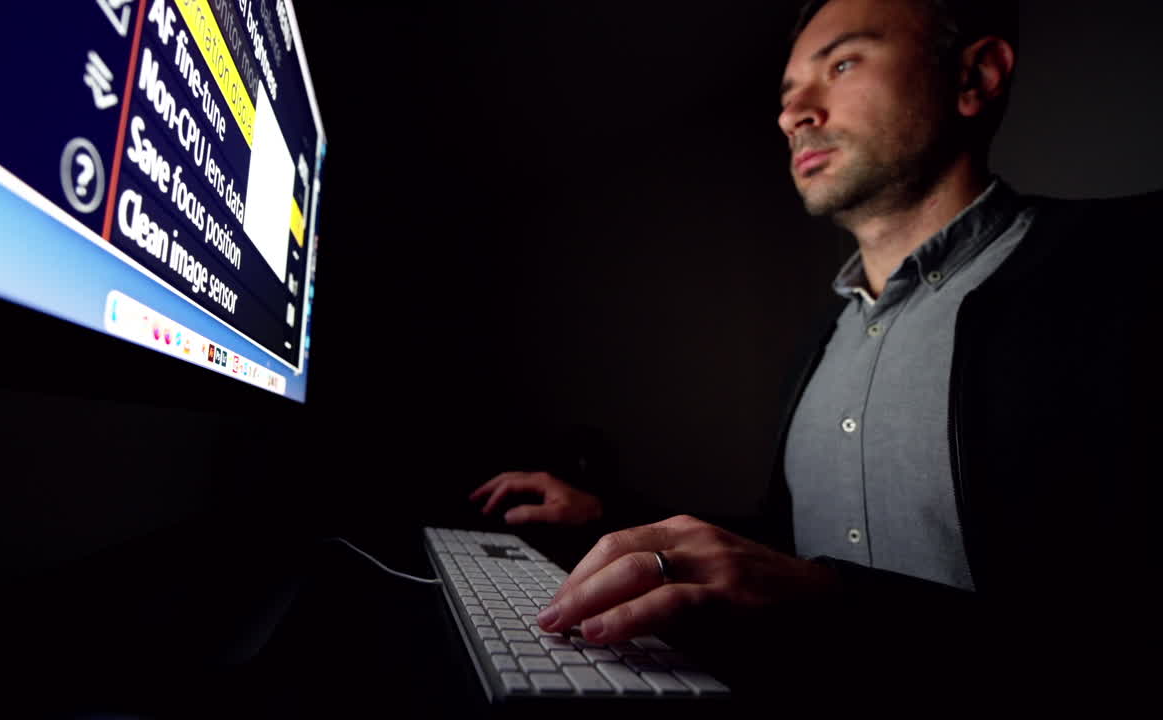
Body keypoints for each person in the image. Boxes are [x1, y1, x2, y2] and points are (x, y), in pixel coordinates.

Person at [470, 0, 1157, 689]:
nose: (793, 114)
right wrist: (607, 516)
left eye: (843, 64)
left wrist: (832, 602)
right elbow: (780, 552)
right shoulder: (823, 342)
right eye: (788, 93)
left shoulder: (1134, 265)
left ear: (975, 76)